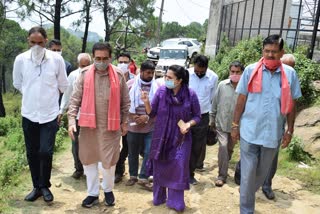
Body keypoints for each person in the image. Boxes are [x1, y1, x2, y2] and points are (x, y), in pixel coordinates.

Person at [231, 35, 302, 214]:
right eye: (266, 51)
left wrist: (290, 130)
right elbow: (241, 99)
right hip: (249, 130)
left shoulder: (290, 74)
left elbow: (292, 105)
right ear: (262, 51)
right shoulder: (250, 70)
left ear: (281, 53)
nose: (270, 55)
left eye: (274, 52)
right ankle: (246, 209)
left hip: (272, 133)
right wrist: (235, 124)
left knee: (262, 173)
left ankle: (247, 191)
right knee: (248, 173)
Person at [67, 42, 130, 208]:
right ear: (93, 57)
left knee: (108, 162)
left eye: (104, 58)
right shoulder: (84, 74)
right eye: (97, 58)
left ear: (110, 58)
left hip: (111, 127)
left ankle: (108, 190)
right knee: (89, 161)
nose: (101, 61)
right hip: (88, 127)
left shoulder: (118, 74)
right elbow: (74, 100)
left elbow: (125, 101)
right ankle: (92, 193)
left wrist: (124, 122)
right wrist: (72, 121)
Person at [12, 26, 69, 203]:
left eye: (40, 42)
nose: (36, 46)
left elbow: (63, 85)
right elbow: (17, 83)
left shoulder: (56, 60)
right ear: (28, 41)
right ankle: (36, 187)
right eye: (33, 42)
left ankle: (45, 185)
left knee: (45, 151)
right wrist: (31, 94)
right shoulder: (21, 59)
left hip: (50, 115)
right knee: (32, 152)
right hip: (28, 114)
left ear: (46, 41)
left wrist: (60, 109)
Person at [141, 65, 201, 212]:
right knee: (161, 166)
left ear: (179, 80)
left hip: (181, 139)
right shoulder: (161, 92)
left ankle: (175, 202)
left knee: (178, 167)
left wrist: (188, 124)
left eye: (169, 77)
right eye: (165, 76)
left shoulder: (190, 95)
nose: (165, 79)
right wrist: (146, 102)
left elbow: (197, 116)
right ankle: (159, 197)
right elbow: (152, 113)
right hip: (161, 137)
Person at [262, 53, 296, 200]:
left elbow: (292, 106)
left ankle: (266, 185)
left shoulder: (290, 79)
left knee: (272, 157)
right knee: (252, 153)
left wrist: (290, 129)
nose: (287, 69)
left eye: (290, 67)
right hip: (257, 123)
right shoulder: (262, 74)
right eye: (285, 65)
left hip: (276, 125)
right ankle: (246, 181)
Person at [210, 61, 244, 187]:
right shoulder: (222, 85)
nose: (234, 74)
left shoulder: (245, 88)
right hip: (221, 124)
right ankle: (222, 175)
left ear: (242, 73)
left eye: (237, 72)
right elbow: (215, 103)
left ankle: (224, 163)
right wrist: (211, 120)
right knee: (223, 146)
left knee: (229, 149)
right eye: (232, 72)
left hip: (236, 126)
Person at [58, 53, 92, 179]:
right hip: (77, 116)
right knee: (76, 144)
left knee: (90, 144)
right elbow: (67, 95)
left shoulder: (96, 74)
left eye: (87, 65)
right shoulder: (73, 75)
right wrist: (61, 111)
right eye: (82, 65)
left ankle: (89, 168)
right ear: (78, 64)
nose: (84, 68)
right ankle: (78, 168)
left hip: (91, 116)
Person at [125, 60, 158, 190]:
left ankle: (143, 176)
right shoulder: (130, 84)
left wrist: (147, 116)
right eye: (148, 72)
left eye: (152, 73)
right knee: (132, 152)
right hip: (133, 125)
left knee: (149, 151)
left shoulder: (157, 86)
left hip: (150, 125)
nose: (150, 75)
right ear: (142, 71)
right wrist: (133, 116)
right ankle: (133, 176)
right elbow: (124, 103)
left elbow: (158, 106)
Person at [188, 54, 218, 184]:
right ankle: (178, 172)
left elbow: (213, 98)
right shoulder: (186, 74)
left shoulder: (213, 77)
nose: (199, 73)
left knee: (197, 147)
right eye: (197, 70)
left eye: (202, 71)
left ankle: (190, 173)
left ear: (206, 68)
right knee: (181, 144)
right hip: (186, 115)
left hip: (202, 116)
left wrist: (212, 119)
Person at [114, 52, 136, 183]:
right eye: (120, 61)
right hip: (115, 117)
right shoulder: (112, 77)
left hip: (130, 118)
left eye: (125, 62)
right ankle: (118, 171)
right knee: (114, 144)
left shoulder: (135, 79)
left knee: (127, 145)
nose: (123, 64)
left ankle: (120, 163)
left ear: (130, 63)